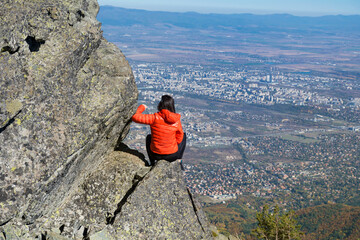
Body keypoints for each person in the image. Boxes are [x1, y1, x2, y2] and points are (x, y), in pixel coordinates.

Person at [131, 95, 186, 166]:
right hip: (172, 156)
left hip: (155, 155)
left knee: (149, 137)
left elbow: (135, 117)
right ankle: (179, 159)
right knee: (183, 135)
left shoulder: (154, 117)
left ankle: (152, 162)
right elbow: (179, 138)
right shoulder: (176, 120)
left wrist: (142, 107)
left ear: (160, 105)